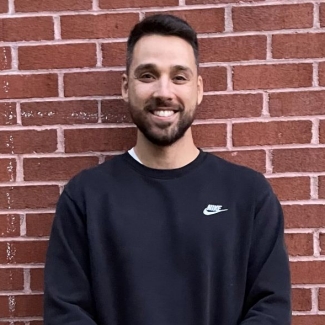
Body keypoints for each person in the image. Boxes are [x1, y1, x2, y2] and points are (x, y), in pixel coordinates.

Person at [44, 14, 291, 325]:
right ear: (126, 87)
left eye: (179, 77)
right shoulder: (86, 198)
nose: (164, 92)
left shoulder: (248, 194)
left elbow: (271, 309)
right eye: (147, 75)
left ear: (198, 89)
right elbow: (66, 313)